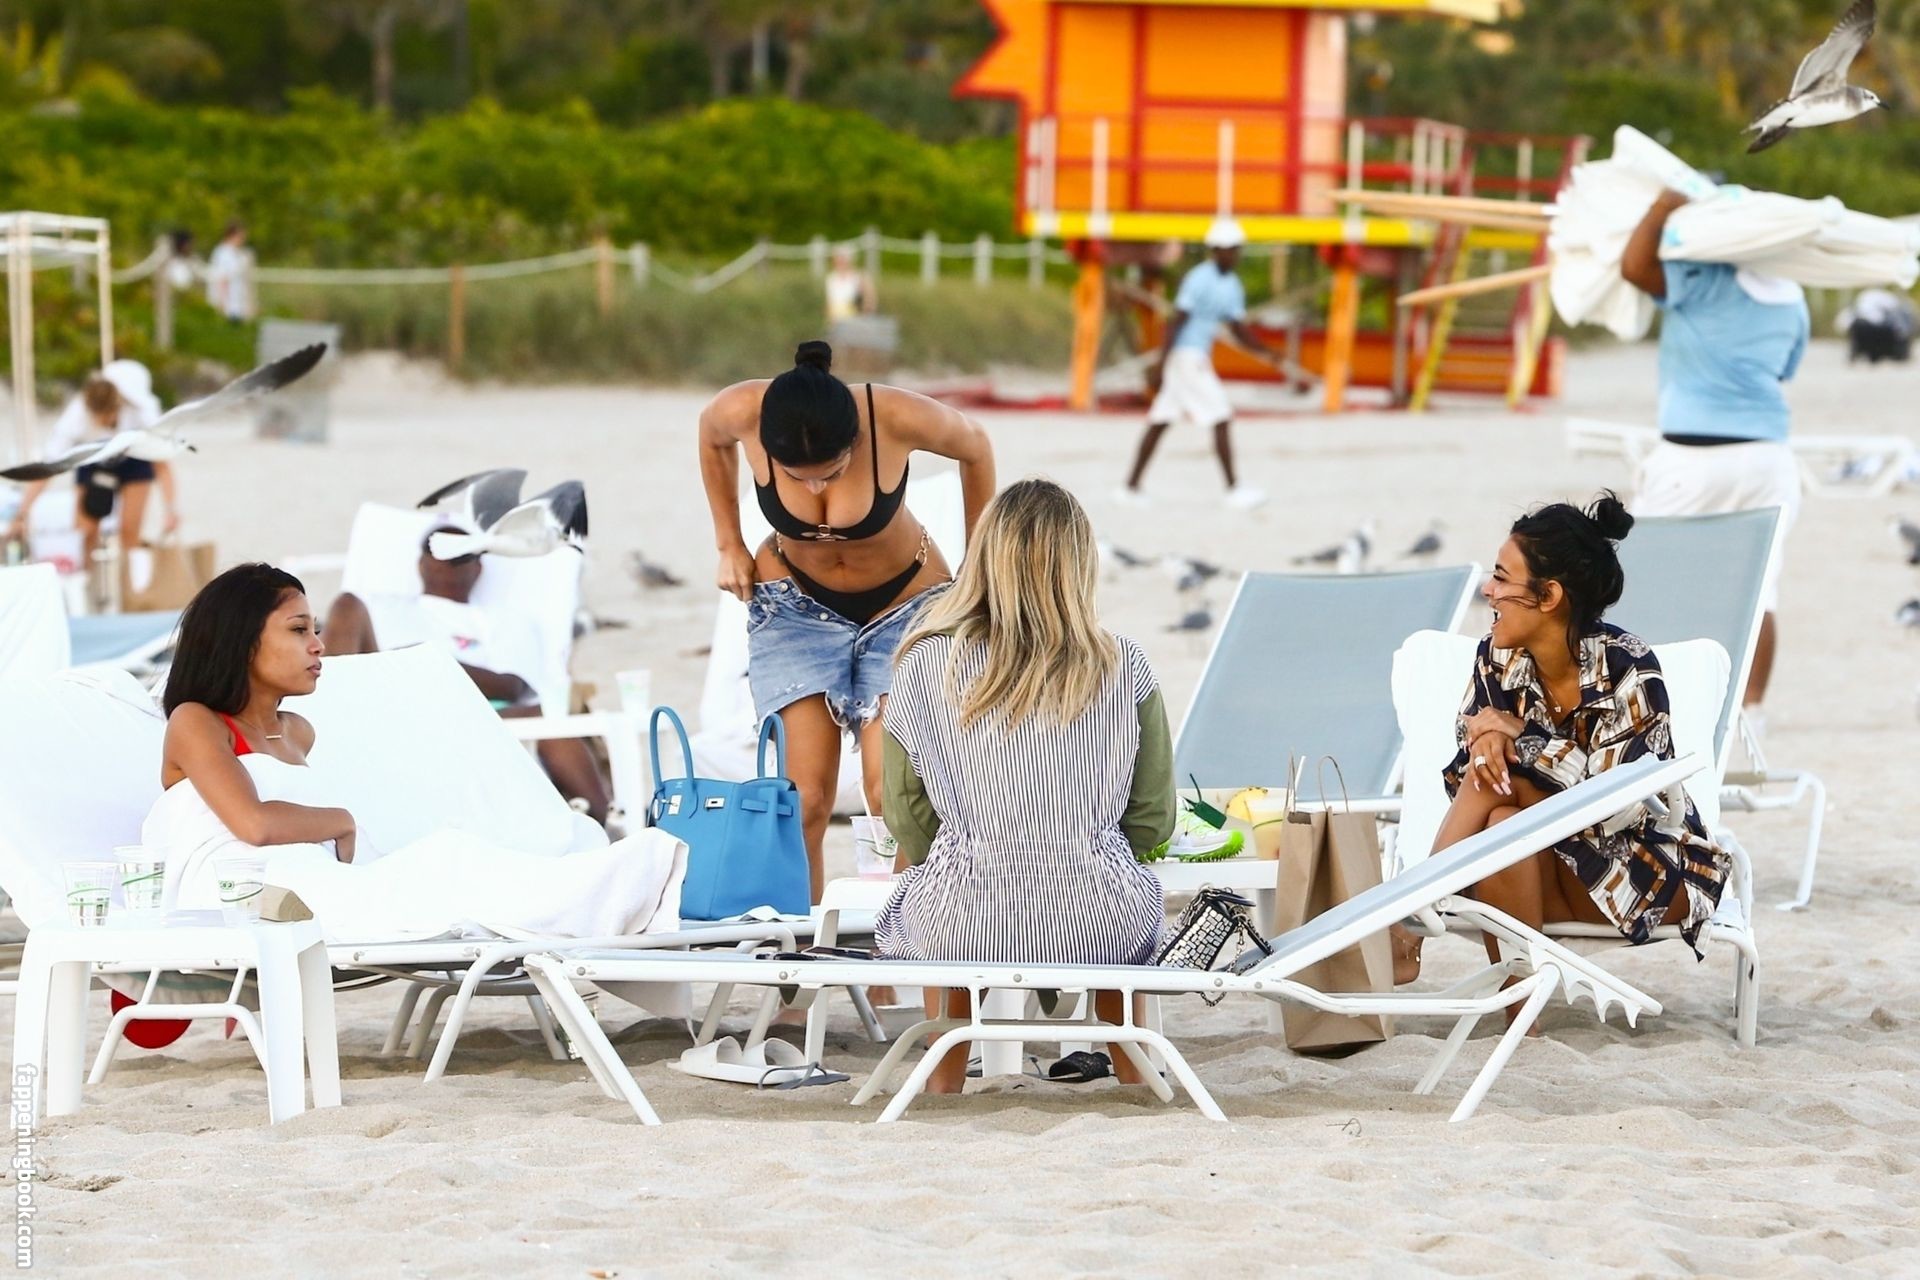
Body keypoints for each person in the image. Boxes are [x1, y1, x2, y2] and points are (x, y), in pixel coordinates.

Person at [145, 563, 682, 938]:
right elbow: (254, 824)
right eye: (298, 630)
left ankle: (617, 883)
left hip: (305, 883)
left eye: (316, 629)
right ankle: (622, 888)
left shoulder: (298, 730)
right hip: (243, 896)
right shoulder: (197, 722)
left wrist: (344, 834)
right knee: (443, 866)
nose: (318, 644)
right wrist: (341, 821)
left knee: (454, 855)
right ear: (243, 642)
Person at [876, 478, 1174, 1093]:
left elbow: (903, 813)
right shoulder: (1124, 662)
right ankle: (1133, 1069)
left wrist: (971, 844)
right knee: (1120, 892)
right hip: (1101, 920)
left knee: (942, 898)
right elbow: (1152, 817)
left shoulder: (924, 663)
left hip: (963, 919)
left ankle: (944, 1077)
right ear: (1079, 563)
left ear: (984, 558)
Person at [1392, 494, 1729, 988]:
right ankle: (1518, 1017)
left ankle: (1407, 921)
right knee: (1500, 819)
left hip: (1649, 873)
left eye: (1501, 578)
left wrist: (1523, 738)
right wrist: (1486, 746)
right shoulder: (1496, 658)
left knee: (1501, 797)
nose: (1487, 590)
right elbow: (1467, 761)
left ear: (1548, 596)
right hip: (1551, 865)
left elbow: (1621, 806)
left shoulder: (1629, 670)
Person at [699, 340, 995, 900]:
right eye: (798, 477)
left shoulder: (893, 415)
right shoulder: (744, 409)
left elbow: (976, 446)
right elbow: (711, 437)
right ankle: (809, 939)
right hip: (793, 609)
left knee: (891, 797)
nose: (815, 488)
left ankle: (900, 933)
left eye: (831, 473)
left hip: (904, 606)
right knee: (805, 800)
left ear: (855, 440)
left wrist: (981, 560)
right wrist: (728, 542)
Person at [1621, 190, 1809, 712]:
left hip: (1691, 458)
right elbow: (1783, 370)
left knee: (1647, 578)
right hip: (1768, 459)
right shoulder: (1792, 295)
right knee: (1759, 590)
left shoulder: (1704, 277)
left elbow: (1634, 269)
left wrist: (1659, 207)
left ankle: (1649, 704)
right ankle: (1751, 715)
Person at [322, 529, 614, 824]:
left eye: (462, 553)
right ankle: (325, 720)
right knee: (346, 604)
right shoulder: (380, 608)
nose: (449, 559)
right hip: (397, 711)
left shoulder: (505, 622)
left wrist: (432, 663)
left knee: (547, 720)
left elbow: (515, 686)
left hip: (485, 715)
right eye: (439, 550)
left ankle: (607, 822)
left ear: (478, 567)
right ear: (421, 563)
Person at [1117, 217, 1285, 511]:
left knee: (1161, 420)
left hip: (1195, 358)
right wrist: (1161, 363)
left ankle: (1129, 488)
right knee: (1221, 415)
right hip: (1186, 357)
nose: (1234, 255)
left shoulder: (1232, 285)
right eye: (1229, 249)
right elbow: (1177, 321)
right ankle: (1233, 489)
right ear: (1216, 250)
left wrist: (1268, 352)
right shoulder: (1198, 279)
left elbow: (1238, 328)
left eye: (1237, 249)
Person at [3, 364, 181, 565]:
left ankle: (133, 581)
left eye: (108, 417)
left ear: (118, 407)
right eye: (98, 418)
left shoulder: (142, 413)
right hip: (93, 457)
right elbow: (48, 468)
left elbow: (162, 464)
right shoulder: (75, 418)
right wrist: (21, 514)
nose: (103, 422)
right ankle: (86, 578)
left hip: (134, 457)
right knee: (84, 532)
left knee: (129, 530)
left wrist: (170, 509)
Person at [206, 221, 255, 323]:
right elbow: (221, 278)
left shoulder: (240, 253)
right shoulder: (222, 253)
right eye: (241, 236)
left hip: (239, 306)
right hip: (228, 306)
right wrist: (222, 303)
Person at [823, 246, 876, 325]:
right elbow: (829, 303)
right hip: (835, 318)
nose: (840, 262)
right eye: (838, 259)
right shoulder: (831, 278)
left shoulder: (859, 276)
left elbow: (869, 300)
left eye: (842, 259)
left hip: (854, 318)